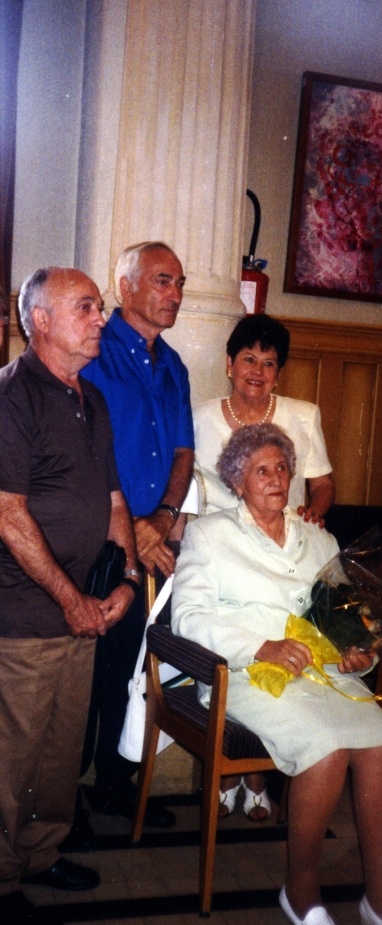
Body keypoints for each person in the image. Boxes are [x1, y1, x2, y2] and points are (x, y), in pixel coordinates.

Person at [172, 424, 382, 925]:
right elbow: (187, 618)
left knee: (380, 744)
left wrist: (361, 652)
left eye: (282, 467)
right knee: (325, 750)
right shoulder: (210, 535)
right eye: (261, 470)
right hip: (245, 675)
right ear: (238, 482)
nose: (275, 478)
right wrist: (261, 646)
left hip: (321, 675)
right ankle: (301, 892)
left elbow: (348, 619)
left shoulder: (319, 539)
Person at [0, 267, 138, 925]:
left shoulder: (94, 400)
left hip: (84, 613)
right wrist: (69, 598)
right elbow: (8, 514)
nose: (100, 319)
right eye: (86, 307)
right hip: (25, 617)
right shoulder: (12, 396)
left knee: (59, 753)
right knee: (11, 758)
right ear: (41, 321)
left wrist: (127, 582)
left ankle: (41, 853)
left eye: (100, 307)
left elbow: (114, 502)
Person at [193, 313, 335, 819]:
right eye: (248, 359)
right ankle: (238, 772)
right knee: (241, 644)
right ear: (229, 364)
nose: (257, 370)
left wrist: (315, 510)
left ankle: (253, 773)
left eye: (269, 362)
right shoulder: (201, 416)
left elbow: (321, 484)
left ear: (279, 372)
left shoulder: (303, 414)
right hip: (223, 552)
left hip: (283, 550)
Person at [80, 241, 194, 826]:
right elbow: (85, 454)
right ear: (125, 287)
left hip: (153, 539)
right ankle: (61, 801)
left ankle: (114, 784)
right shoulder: (93, 351)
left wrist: (165, 519)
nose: (176, 294)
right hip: (96, 537)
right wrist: (131, 529)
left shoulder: (174, 365)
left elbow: (184, 453)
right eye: (162, 281)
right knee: (85, 669)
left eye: (180, 283)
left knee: (131, 666)